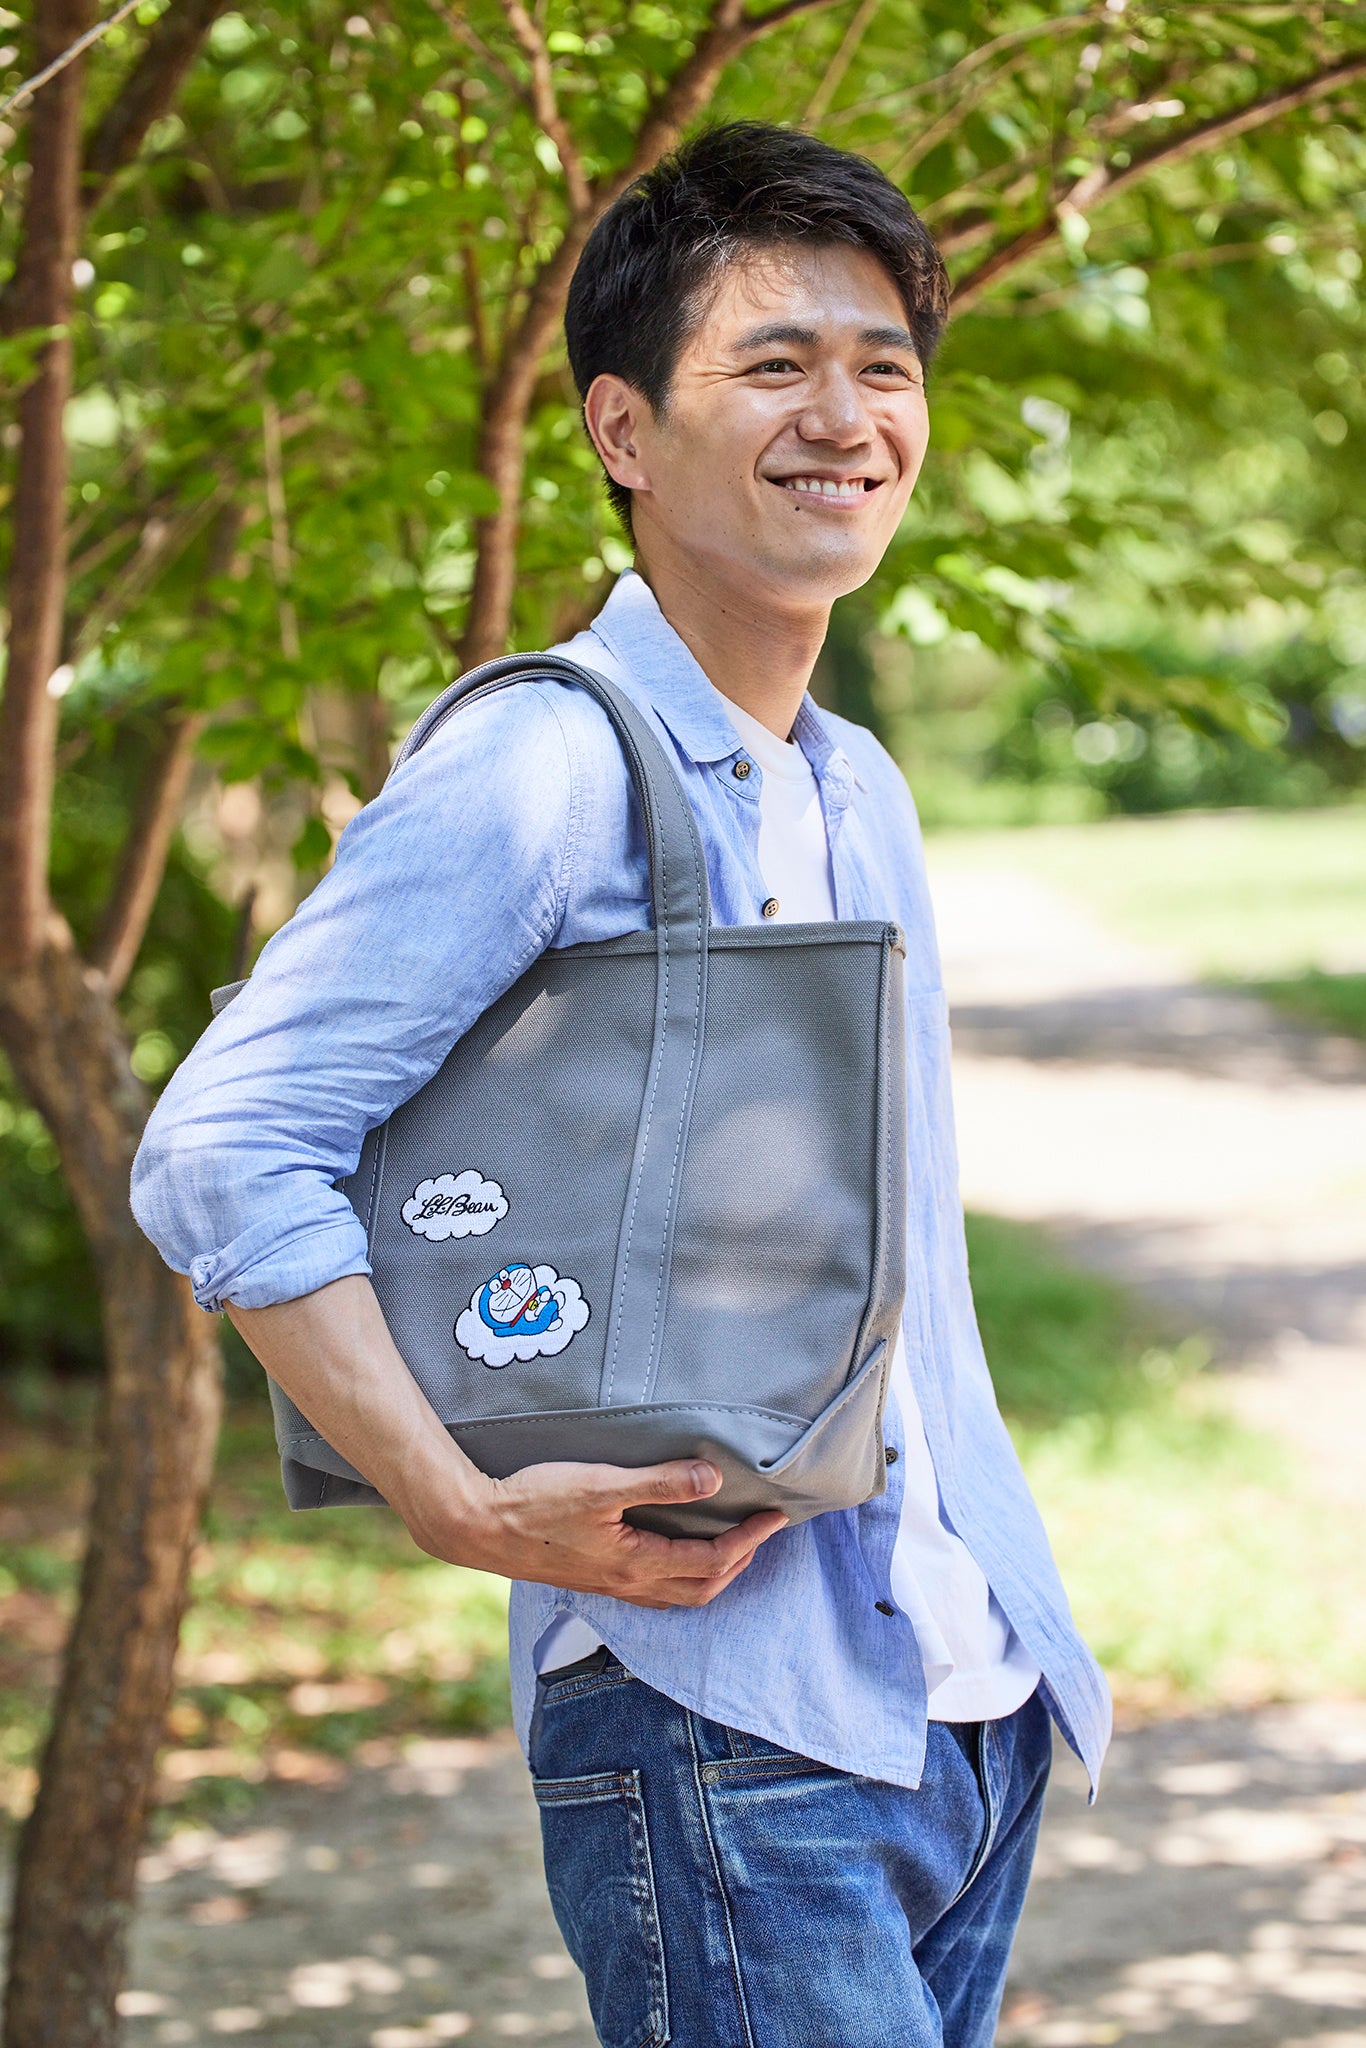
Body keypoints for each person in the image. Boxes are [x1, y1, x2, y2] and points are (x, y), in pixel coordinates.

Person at [133, 121, 1110, 2048]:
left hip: (965, 1705)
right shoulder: (546, 765)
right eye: (773, 364)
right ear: (621, 429)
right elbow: (223, 1144)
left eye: (883, 367)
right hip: (721, 1724)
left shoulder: (852, 782)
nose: (844, 418)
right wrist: (454, 1504)